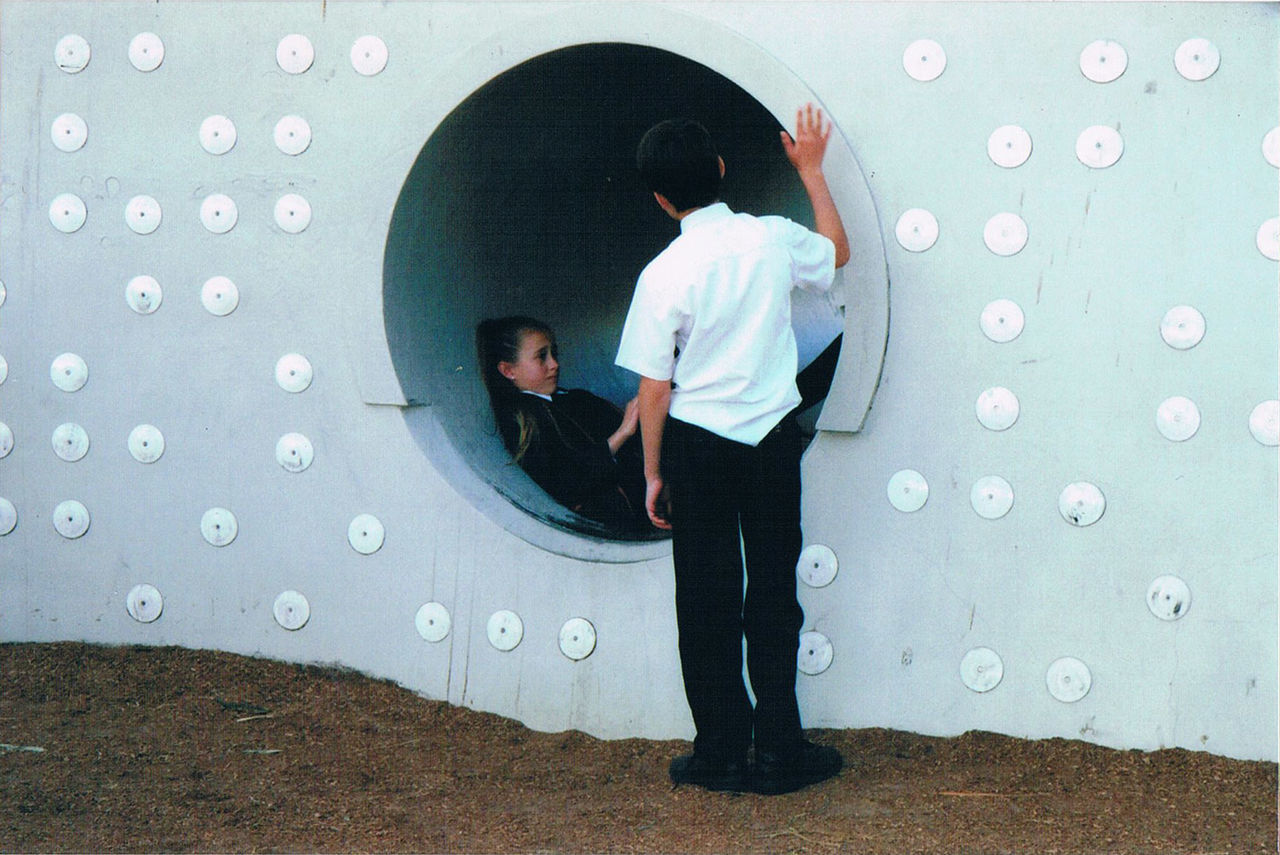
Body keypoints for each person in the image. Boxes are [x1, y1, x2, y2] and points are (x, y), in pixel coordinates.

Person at [615, 104, 851, 794]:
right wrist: (810, 171)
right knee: (773, 594)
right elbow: (838, 251)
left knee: (707, 600)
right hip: (771, 442)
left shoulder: (664, 273)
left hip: (698, 447)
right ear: (721, 170)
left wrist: (655, 471)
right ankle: (780, 747)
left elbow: (655, 387)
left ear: (661, 199)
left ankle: (720, 749)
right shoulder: (772, 238)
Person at [477, 316, 651, 533]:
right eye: (542, 357)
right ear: (508, 370)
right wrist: (621, 435)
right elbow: (564, 482)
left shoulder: (576, 399)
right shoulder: (521, 422)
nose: (554, 364)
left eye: (554, 354)